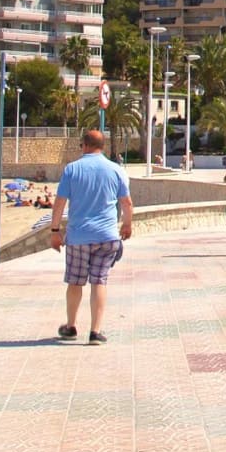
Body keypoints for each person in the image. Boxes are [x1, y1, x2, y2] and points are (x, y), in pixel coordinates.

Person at [49, 128, 132, 346]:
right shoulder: (116, 169)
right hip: (107, 236)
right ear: (102, 146)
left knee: (75, 282)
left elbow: (59, 203)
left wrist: (55, 231)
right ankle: (95, 331)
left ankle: (71, 326)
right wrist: (127, 225)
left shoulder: (72, 169)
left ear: (84, 145)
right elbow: (126, 203)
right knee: (99, 281)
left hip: (78, 237)